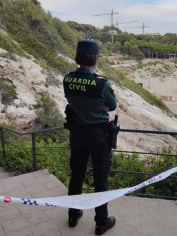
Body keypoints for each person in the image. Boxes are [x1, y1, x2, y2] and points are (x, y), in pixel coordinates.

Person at [63, 40, 117, 235]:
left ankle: (73, 214)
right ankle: (101, 222)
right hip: (99, 136)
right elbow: (112, 105)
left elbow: (72, 101)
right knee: (100, 179)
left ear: (78, 58)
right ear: (94, 58)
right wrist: (101, 107)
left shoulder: (67, 79)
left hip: (77, 134)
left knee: (76, 175)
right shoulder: (101, 83)